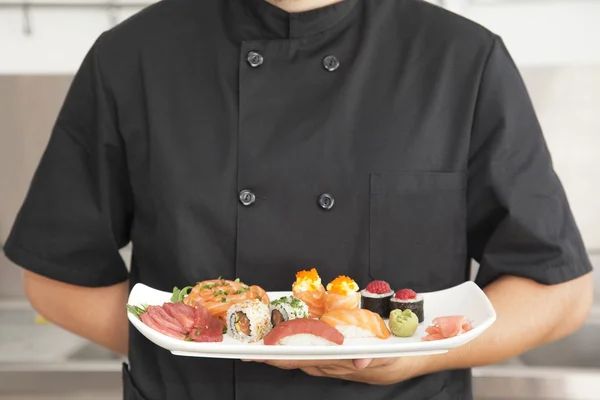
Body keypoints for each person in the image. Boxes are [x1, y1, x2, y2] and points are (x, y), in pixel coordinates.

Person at [3, 0, 594, 398]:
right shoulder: (132, 57)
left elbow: (557, 290)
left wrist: (418, 358)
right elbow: (58, 277)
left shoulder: (460, 59)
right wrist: (194, 343)